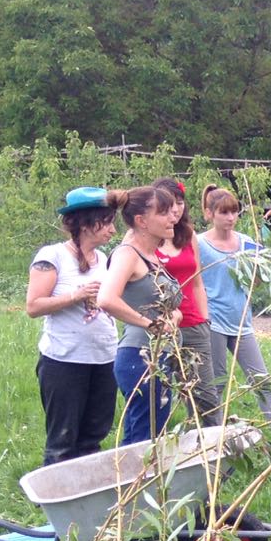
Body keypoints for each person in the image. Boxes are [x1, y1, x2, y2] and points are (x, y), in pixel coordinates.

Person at [25, 186, 120, 465]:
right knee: (62, 441)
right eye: (107, 222)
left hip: (104, 359)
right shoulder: (52, 256)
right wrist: (75, 296)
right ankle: (56, 499)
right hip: (64, 361)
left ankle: (86, 501)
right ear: (86, 222)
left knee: (93, 437)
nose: (113, 230)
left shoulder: (103, 259)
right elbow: (33, 306)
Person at [97, 184, 185, 446]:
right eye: (164, 212)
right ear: (141, 221)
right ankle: (130, 487)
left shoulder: (153, 256)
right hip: (140, 359)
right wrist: (152, 325)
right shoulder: (128, 254)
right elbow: (106, 298)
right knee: (143, 442)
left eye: (173, 211)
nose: (173, 217)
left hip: (160, 358)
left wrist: (175, 317)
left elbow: (166, 306)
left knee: (147, 437)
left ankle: (129, 487)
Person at [196, 185, 271, 429]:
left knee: (261, 379)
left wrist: (261, 271)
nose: (230, 218)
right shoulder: (199, 244)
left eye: (234, 212)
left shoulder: (245, 242)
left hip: (242, 321)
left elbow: (258, 278)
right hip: (213, 321)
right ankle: (209, 434)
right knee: (216, 382)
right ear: (210, 214)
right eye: (224, 213)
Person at [153, 178, 219, 426]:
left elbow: (197, 281)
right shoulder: (147, 239)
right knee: (163, 395)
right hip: (163, 328)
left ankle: (213, 452)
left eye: (180, 203)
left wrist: (205, 319)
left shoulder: (188, 235)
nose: (176, 209)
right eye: (170, 204)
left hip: (194, 324)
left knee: (206, 396)